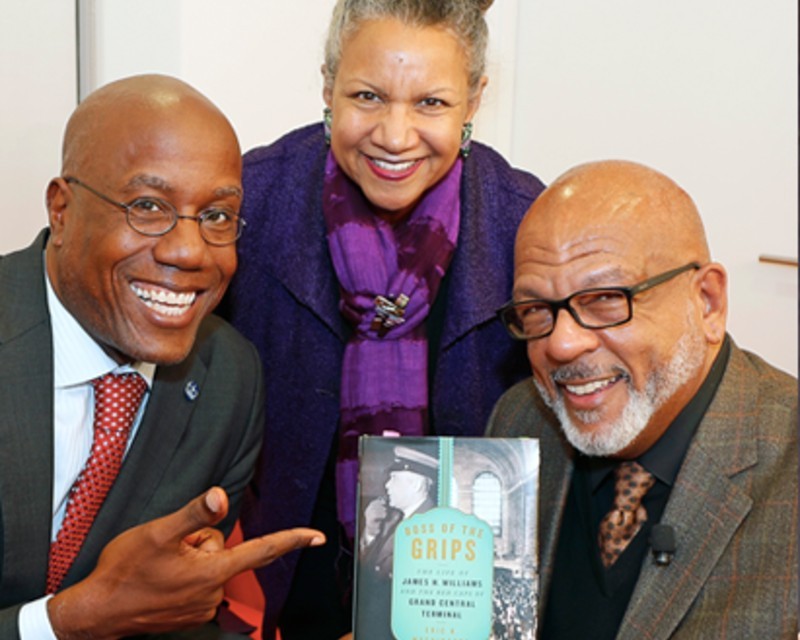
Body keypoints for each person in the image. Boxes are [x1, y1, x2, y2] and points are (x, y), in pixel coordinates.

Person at [219, 1, 545, 638]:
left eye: (431, 103)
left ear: (474, 100)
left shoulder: (525, 226)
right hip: (271, 598)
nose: (395, 136)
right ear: (327, 84)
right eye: (368, 96)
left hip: (457, 609)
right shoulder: (246, 203)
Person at [0, 73, 324, 640]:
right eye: (148, 206)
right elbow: (104, 611)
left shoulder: (229, 378)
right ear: (62, 208)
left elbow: (177, 619)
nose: (188, 250)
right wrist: (66, 622)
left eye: (218, 216)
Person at [488, 160, 798, 638]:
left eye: (606, 299)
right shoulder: (518, 424)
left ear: (707, 301)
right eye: (535, 310)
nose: (562, 345)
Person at [355, 446, 438, 639]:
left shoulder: (432, 526)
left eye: (394, 478)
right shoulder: (394, 519)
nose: (387, 486)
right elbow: (368, 570)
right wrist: (370, 530)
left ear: (416, 485)